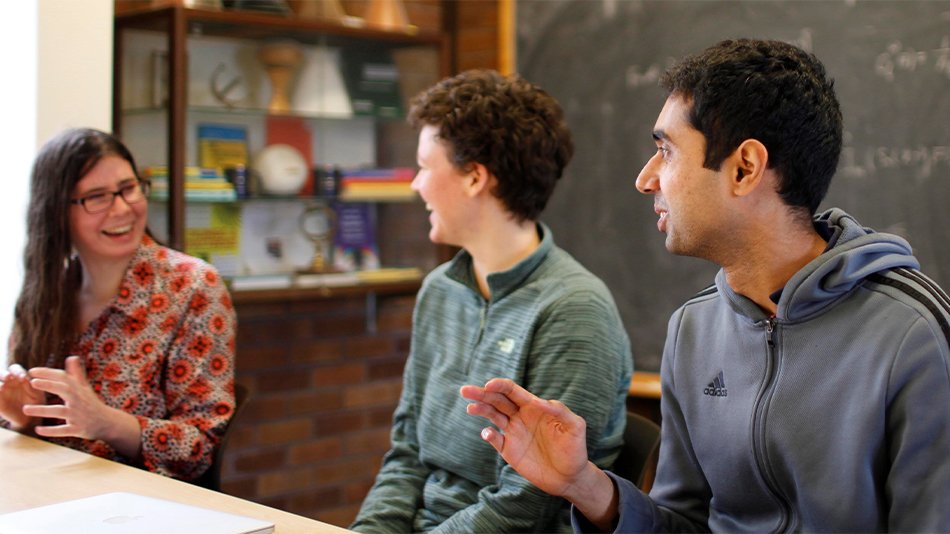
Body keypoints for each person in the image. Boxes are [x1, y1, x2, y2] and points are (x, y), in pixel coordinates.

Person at [461, 38, 950, 532]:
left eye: (665, 151)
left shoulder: (913, 335)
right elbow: (684, 523)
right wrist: (583, 484)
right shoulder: (692, 328)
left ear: (744, 168)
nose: (645, 179)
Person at [350, 70, 633, 533]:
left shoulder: (574, 310)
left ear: (474, 178)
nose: (415, 185)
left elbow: (526, 508)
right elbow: (406, 454)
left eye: (425, 166)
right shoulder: (440, 290)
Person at [0, 128, 236, 482]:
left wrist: (104, 422)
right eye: (97, 197)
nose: (123, 208)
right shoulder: (47, 291)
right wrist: (22, 417)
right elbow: (38, 432)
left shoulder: (193, 286)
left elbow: (200, 448)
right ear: (56, 212)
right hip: (55, 491)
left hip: (145, 506)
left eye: (128, 189)